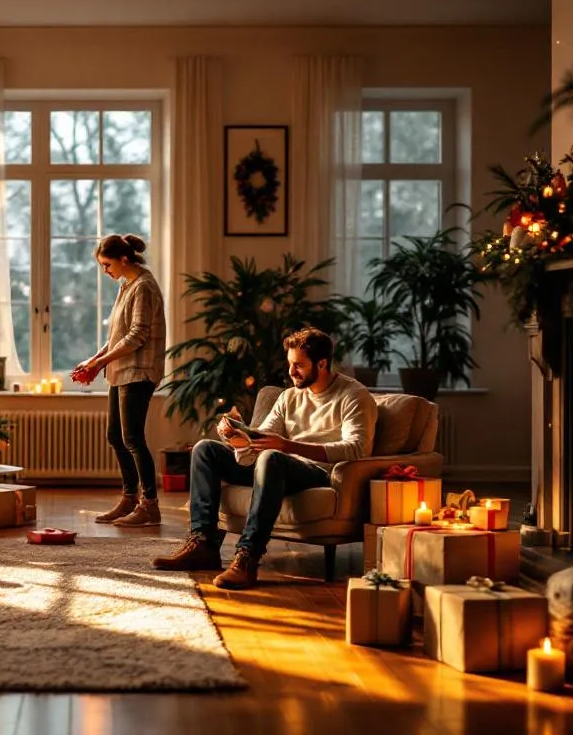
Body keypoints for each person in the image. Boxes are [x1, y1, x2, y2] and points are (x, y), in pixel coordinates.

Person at [152, 328, 377, 590]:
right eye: (290, 364)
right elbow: (264, 437)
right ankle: (203, 544)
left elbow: (356, 449)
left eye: (299, 365)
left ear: (322, 363)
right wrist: (238, 434)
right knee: (206, 449)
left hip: (319, 472)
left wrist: (287, 446)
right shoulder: (289, 396)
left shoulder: (353, 395)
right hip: (274, 464)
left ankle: (247, 557)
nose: (291, 372)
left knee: (272, 457)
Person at [73, 233, 167, 528]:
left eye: (106, 264)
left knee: (133, 439)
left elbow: (138, 335)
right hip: (121, 371)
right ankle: (129, 498)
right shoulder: (126, 285)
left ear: (123, 259)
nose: (105, 271)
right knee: (116, 436)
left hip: (139, 371)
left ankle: (149, 505)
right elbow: (117, 334)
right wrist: (94, 359)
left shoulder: (144, 287)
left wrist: (101, 361)